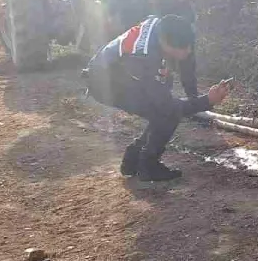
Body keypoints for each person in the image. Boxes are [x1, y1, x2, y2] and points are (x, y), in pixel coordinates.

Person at [85, 14, 229, 182]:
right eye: (184, 48)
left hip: (118, 73)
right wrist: (207, 101)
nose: (189, 50)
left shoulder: (164, 27)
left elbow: (187, 65)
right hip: (105, 84)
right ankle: (148, 167)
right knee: (167, 114)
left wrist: (194, 97)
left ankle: (133, 160)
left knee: (163, 108)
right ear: (166, 43)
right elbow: (167, 106)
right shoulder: (144, 59)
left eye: (190, 45)